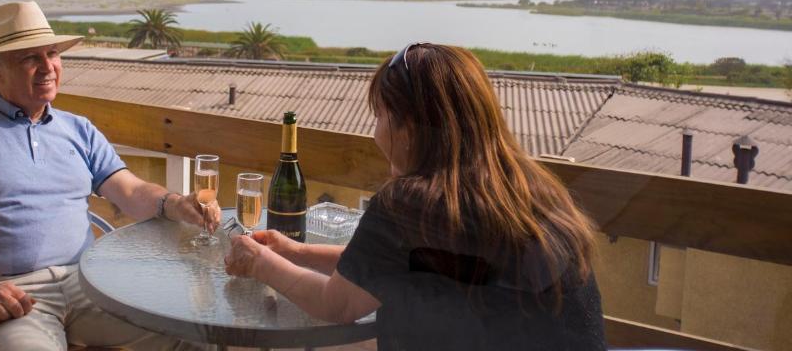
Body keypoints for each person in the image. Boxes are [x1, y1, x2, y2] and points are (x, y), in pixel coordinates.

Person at [225, 43, 606, 350]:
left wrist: (257, 260)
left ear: (408, 127)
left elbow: (337, 304)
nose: (376, 133)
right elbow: (419, 261)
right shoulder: (527, 189)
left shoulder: (412, 203)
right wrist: (296, 252)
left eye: (379, 116)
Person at [0, 1, 218, 351]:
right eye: (29, 58)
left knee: (192, 334)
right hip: (8, 295)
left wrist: (177, 203)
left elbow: (130, 190)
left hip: (89, 283)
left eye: (52, 53)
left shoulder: (78, 129)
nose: (47, 67)